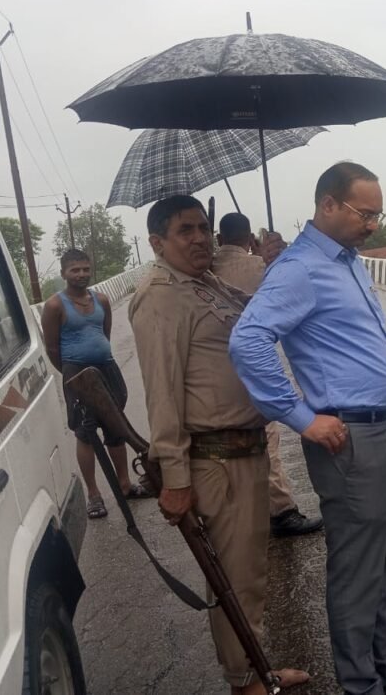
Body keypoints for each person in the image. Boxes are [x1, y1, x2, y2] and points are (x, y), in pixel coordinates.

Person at [230, 162, 386, 695]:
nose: (373, 224)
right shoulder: (299, 268)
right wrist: (301, 417)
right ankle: (360, 683)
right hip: (347, 438)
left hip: (378, 430)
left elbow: (338, 333)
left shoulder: (346, 261)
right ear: (328, 204)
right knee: (357, 566)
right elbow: (248, 341)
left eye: (377, 214)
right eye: (364, 213)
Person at [129, 196, 308, 695]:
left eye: (202, 228)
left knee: (249, 573)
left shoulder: (205, 282)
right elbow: (162, 394)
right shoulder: (160, 296)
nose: (199, 239)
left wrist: (276, 264)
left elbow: (261, 315)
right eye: (184, 230)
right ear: (157, 242)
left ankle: (255, 666)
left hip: (246, 450)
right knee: (234, 577)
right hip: (216, 460)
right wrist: (175, 479)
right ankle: (246, 681)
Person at [212, 211, 324, 539]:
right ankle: (282, 511)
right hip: (254, 366)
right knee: (267, 441)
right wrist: (274, 259)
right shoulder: (262, 268)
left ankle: (242, 513)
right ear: (250, 239)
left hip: (215, 372)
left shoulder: (205, 272)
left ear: (218, 239)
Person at [41, 248, 150, 519]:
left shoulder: (101, 300)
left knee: (116, 428)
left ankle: (125, 485)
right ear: (64, 273)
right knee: (85, 433)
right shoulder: (55, 306)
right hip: (77, 374)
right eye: (75, 270)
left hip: (107, 370)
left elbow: (105, 333)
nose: (81, 274)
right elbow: (52, 347)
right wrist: (73, 375)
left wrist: (100, 360)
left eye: (85, 269)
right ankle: (94, 495)